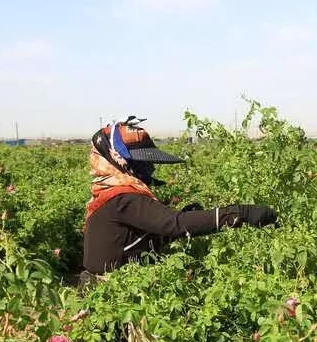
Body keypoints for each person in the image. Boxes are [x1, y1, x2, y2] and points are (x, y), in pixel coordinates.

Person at [80, 117, 278, 280]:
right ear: (118, 158)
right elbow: (173, 224)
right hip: (112, 293)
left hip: (117, 285)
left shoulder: (112, 192)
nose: (151, 168)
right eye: (143, 162)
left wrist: (186, 218)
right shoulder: (122, 197)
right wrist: (239, 213)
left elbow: (143, 236)